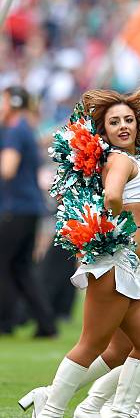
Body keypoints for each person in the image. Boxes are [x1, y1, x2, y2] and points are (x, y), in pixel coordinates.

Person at [24, 89, 140, 418]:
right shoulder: (119, 160)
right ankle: (50, 412)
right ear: (102, 130)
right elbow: (112, 195)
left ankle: (118, 415)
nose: (123, 126)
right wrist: (117, 227)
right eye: (114, 122)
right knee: (92, 343)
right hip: (112, 261)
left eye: (128, 120)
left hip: (127, 264)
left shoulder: (136, 158)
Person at [0, 85, 56, 337]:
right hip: (30, 207)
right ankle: (46, 323)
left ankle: (5, 321)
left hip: (15, 207)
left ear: (11, 105)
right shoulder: (26, 129)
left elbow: (8, 169)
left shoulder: (13, 131)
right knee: (22, 267)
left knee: (4, 265)